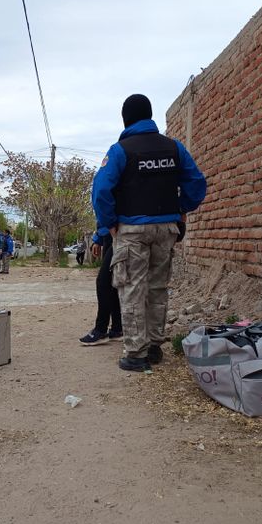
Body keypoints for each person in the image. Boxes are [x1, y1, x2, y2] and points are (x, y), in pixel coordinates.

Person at [92, 94, 206, 371]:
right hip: (166, 229)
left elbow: (101, 191)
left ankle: (136, 354)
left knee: (132, 289)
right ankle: (154, 346)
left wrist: (110, 223)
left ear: (125, 119)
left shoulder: (120, 150)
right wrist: (181, 209)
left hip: (132, 229)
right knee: (157, 288)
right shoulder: (174, 148)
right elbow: (197, 182)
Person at [79, 224, 122, 346]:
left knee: (103, 282)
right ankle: (117, 329)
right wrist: (98, 239)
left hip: (119, 233)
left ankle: (101, 330)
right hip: (108, 234)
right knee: (111, 282)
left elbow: (107, 208)